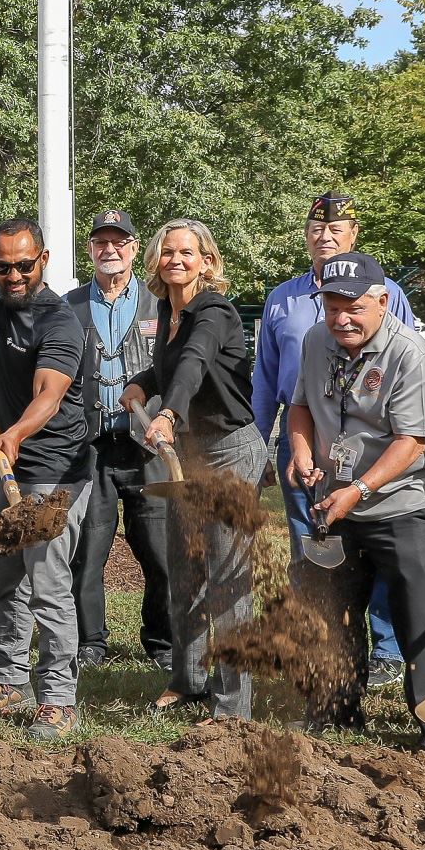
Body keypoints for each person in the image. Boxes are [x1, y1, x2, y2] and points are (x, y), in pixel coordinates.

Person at [284, 252, 425, 764]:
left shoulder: (412, 356)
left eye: (355, 307)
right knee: (324, 604)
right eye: (333, 306)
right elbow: (299, 405)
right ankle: (333, 707)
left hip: (402, 504)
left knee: (422, 610)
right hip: (332, 501)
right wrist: (301, 450)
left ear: (383, 303)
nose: (342, 318)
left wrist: (359, 489)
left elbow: (413, 442)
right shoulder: (317, 341)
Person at [250, 192, 415, 690]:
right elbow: (265, 378)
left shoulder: (387, 293)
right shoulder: (283, 298)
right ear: (306, 236)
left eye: (336, 230)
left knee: (378, 544)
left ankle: (384, 647)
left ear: (353, 235)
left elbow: (402, 368)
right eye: (316, 230)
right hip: (304, 441)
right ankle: (314, 640)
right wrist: (260, 447)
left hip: (370, 444)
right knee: (311, 545)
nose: (325, 238)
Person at [122, 220, 262, 718]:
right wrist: (143, 383)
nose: (176, 259)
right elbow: (170, 367)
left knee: (227, 578)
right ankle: (188, 679)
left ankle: (232, 706)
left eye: (187, 252)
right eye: (168, 251)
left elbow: (195, 364)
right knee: (185, 571)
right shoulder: (168, 309)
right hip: (187, 454)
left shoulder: (215, 311)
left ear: (207, 260)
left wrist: (166, 412)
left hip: (229, 452)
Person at [0, 218, 94, 741]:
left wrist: (14, 434)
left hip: (55, 469)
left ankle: (58, 698)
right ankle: (10, 680)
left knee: (49, 584)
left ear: (43, 260)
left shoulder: (60, 322)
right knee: (7, 577)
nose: (12, 275)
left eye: (22, 264)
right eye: (2, 266)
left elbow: (50, 395)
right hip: (7, 464)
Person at [65, 209, 172, 670]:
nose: (110, 250)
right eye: (101, 242)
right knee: (88, 549)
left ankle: (162, 641)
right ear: (90, 249)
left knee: (158, 547)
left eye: (119, 242)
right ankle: (90, 641)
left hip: (145, 446)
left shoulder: (160, 305)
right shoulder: (68, 306)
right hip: (90, 446)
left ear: (134, 248)